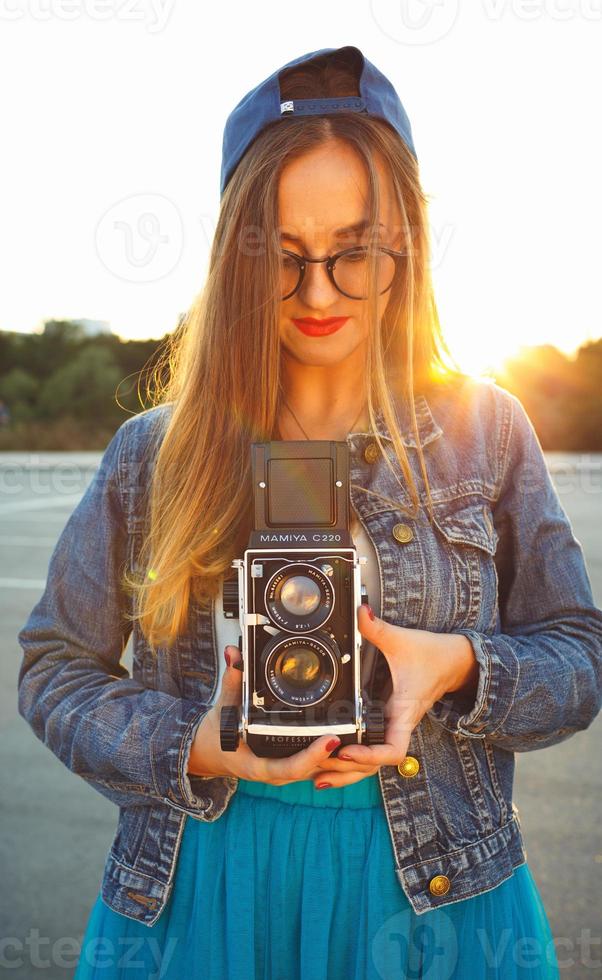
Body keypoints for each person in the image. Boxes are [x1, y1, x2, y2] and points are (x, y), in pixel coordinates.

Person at [17, 46, 602, 980]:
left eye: (353, 254)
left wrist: (454, 667)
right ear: (235, 253)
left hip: (438, 899)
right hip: (202, 887)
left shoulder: (487, 430)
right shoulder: (154, 453)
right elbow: (54, 671)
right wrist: (198, 745)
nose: (320, 294)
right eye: (284, 259)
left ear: (404, 240)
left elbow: (581, 654)